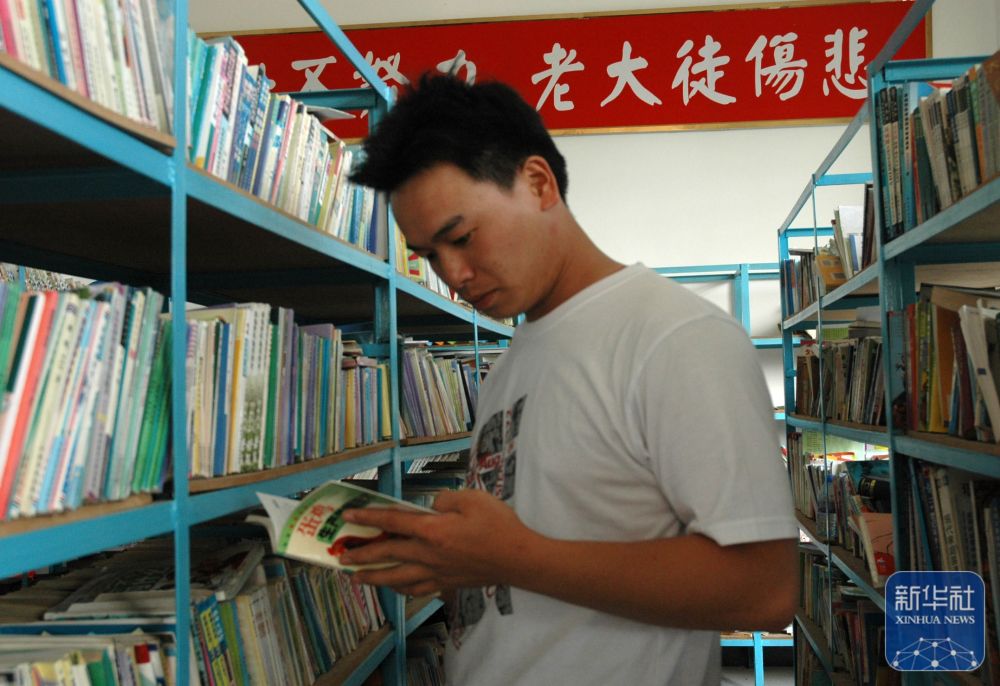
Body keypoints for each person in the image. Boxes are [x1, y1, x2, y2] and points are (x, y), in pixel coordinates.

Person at [344, 74, 798, 685]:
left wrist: (512, 556)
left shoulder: (677, 338)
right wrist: (450, 566)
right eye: (428, 255)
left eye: (461, 237)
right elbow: (522, 585)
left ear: (539, 183)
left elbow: (765, 588)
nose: (453, 274)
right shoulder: (516, 359)